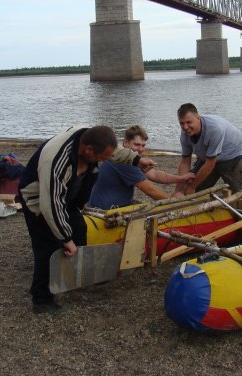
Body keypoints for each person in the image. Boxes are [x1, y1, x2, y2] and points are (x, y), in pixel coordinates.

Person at [18, 125, 156, 314]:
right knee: (47, 244)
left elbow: (113, 152)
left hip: (68, 198)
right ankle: (41, 299)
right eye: (102, 158)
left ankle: (73, 276)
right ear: (89, 150)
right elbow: (51, 205)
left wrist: (137, 160)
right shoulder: (57, 161)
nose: (105, 161)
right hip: (38, 199)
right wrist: (66, 239)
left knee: (79, 229)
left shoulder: (93, 140)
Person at [88, 125, 194, 209]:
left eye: (143, 145)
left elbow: (155, 175)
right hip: (107, 210)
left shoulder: (132, 159)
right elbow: (150, 190)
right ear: (125, 143)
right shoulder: (124, 162)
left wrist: (181, 178)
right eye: (137, 144)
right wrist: (174, 202)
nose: (140, 149)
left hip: (119, 203)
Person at [175, 103, 242, 195]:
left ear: (198, 117)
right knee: (187, 188)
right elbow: (185, 161)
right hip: (208, 156)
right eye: (182, 123)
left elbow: (210, 163)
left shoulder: (214, 129)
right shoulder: (185, 134)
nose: (185, 127)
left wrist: (192, 187)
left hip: (231, 154)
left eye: (189, 122)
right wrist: (179, 189)